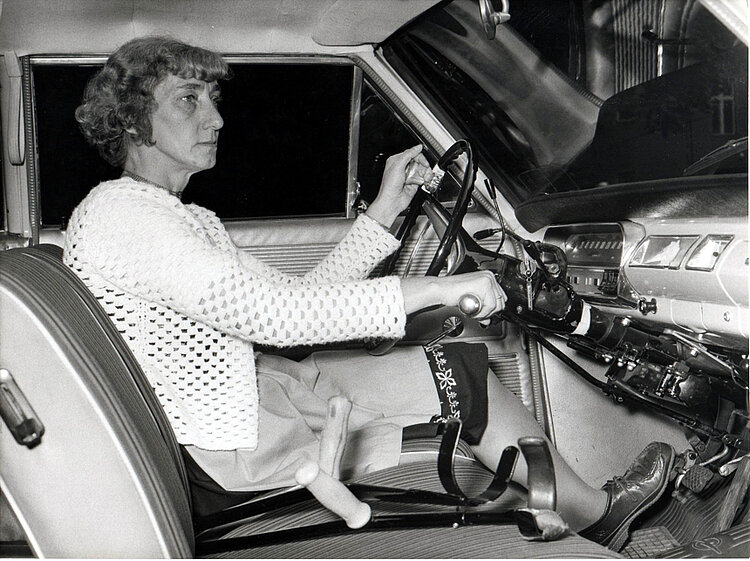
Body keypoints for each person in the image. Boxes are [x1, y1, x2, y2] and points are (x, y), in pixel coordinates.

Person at [63, 36, 673, 549]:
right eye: (188, 100)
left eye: (213, 100)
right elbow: (277, 318)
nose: (216, 118)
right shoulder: (126, 217)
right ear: (132, 117)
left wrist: (384, 211)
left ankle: (588, 510)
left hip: (252, 401)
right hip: (225, 447)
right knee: (453, 369)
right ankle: (595, 515)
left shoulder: (181, 216)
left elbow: (298, 296)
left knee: (456, 363)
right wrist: (438, 287)